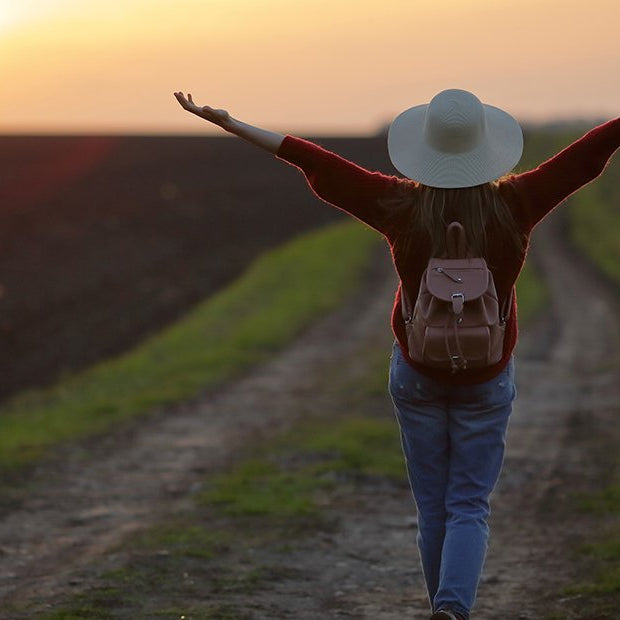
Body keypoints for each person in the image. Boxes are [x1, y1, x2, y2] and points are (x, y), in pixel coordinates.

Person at [174, 89, 619, 620]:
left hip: (417, 373)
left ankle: (443, 608)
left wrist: (231, 123)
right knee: (469, 505)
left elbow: (314, 161)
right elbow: (589, 154)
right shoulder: (517, 202)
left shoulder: (398, 204)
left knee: (432, 506)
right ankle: (452, 611)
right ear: (486, 147)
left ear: (427, 149)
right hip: (487, 375)